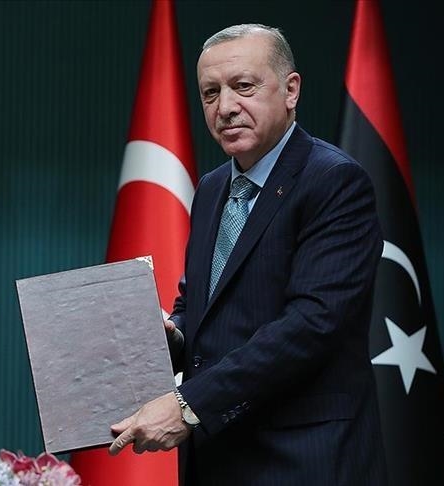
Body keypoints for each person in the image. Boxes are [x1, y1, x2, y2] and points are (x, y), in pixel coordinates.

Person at [108, 24, 388, 485]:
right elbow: (201, 308)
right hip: (217, 461)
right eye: (210, 93)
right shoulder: (212, 188)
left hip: (302, 463)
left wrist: (189, 406)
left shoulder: (334, 181)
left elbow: (311, 325)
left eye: (243, 86)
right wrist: (169, 336)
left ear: (291, 90)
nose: (225, 107)